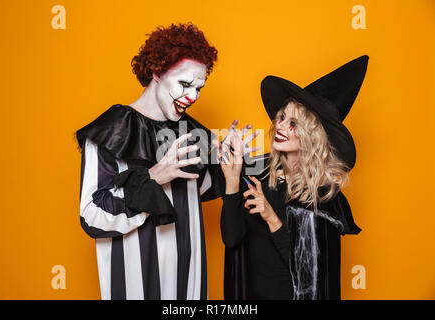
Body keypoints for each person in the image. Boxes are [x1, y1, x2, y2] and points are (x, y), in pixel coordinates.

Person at [75, 23, 256, 300]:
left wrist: (228, 160)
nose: (192, 97)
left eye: (199, 88)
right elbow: (91, 214)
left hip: (189, 281)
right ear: (157, 72)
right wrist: (153, 178)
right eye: (184, 84)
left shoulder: (192, 132)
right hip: (136, 282)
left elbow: (199, 190)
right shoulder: (111, 130)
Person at [219, 55, 368, 300]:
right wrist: (233, 180)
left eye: (293, 124)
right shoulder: (257, 171)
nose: (280, 126)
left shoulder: (324, 195)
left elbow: (310, 273)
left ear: (313, 136)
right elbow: (231, 238)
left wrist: (271, 217)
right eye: (281, 117)